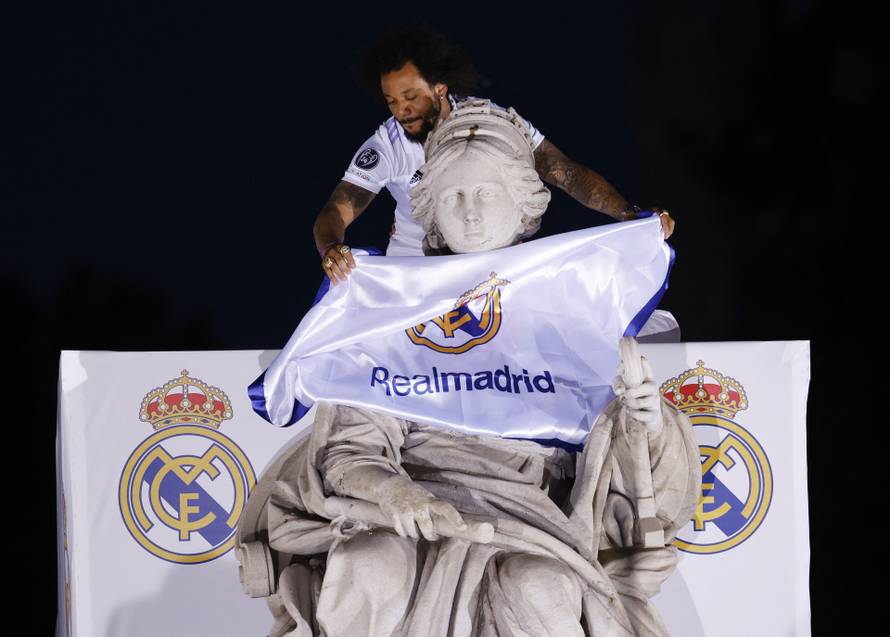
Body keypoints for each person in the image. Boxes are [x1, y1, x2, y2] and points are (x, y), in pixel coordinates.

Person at [237, 103, 698, 636]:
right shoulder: (396, 312)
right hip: (406, 505)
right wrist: (393, 492)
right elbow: (349, 449)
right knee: (367, 565)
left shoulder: (564, 316)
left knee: (540, 586)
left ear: (523, 205)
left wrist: (648, 423)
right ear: (429, 209)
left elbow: (624, 466)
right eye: (455, 196)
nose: (472, 212)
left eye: (486, 193)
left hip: (528, 521)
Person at [314, 27, 676, 284]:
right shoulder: (388, 145)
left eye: (410, 97)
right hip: (417, 275)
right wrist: (332, 248)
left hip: (494, 267)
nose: (401, 110)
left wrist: (629, 214)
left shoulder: (491, 123)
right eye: (391, 100)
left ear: (439, 88)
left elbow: (562, 170)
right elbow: (336, 211)